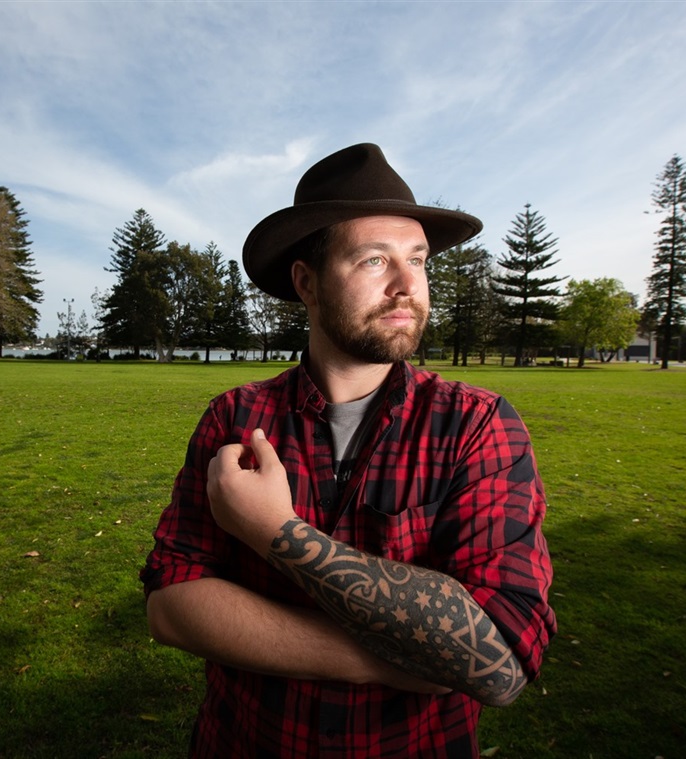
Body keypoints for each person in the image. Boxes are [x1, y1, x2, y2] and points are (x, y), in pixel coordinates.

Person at [141, 143, 556, 758]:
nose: (407, 285)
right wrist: (393, 660)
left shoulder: (475, 423)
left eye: (417, 260)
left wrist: (277, 531)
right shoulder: (236, 418)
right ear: (306, 282)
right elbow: (172, 604)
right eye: (373, 260)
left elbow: (499, 661)